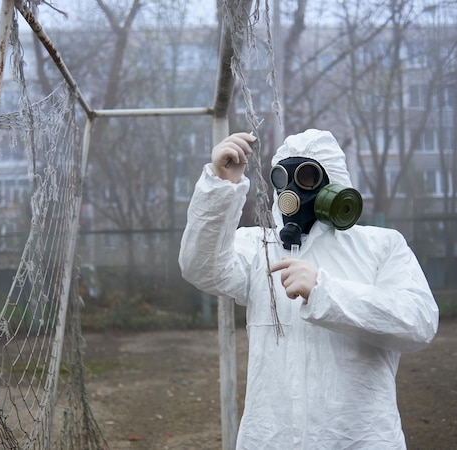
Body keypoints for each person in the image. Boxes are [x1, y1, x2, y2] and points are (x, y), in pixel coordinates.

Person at [179, 129, 439, 449]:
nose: (291, 190)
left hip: (358, 438)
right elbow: (199, 267)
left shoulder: (380, 246)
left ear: (334, 185)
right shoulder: (260, 247)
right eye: (282, 177)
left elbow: (419, 323)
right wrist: (222, 185)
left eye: (307, 176)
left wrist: (324, 291)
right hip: (271, 438)